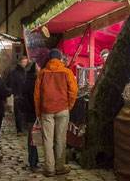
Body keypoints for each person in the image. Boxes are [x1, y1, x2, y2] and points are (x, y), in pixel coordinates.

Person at [34, 49, 78, 177]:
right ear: (60, 59)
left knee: (48, 140)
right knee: (60, 139)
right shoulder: (67, 72)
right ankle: (60, 166)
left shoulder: (42, 73)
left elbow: (36, 95)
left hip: (46, 110)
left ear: (49, 59)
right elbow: (73, 91)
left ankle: (49, 168)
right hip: (62, 109)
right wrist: (69, 105)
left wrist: (38, 112)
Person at [21, 61, 40, 171]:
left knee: (31, 137)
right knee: (35, 137)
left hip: (28, 113)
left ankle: (33, 161)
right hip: (35, 112)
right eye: (37, 66)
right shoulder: (36, 81)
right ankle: (33, 162)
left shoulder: (25, 81)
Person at [6, 56, 28, 136]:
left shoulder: (27, 72)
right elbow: (8, 83)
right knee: (18, 113)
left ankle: (23, 129)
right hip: (18, 95)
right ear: (19, 62)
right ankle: (20, 130)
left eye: (26, 62)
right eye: (23, 62)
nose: (24, 64)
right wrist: (14, 92)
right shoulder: (14, 73)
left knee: (24, 113)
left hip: (24, 96)